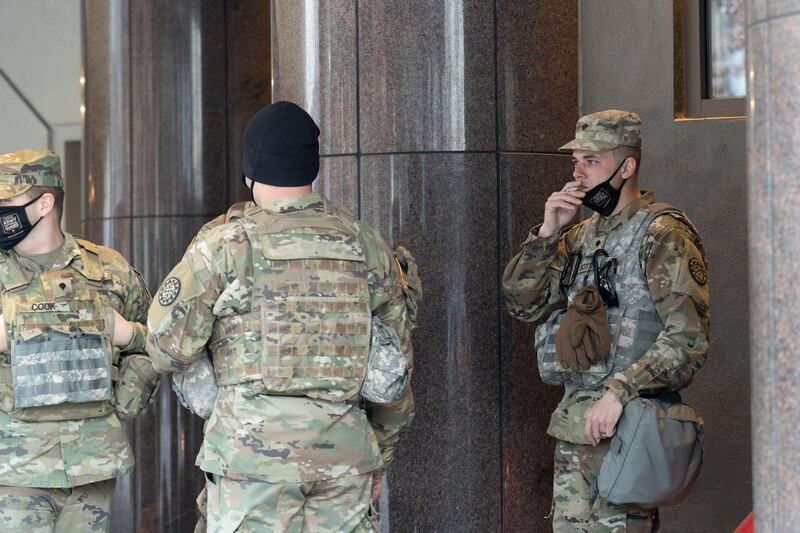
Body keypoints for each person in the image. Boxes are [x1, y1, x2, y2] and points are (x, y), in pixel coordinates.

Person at [147, 101, 416, 532]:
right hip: (345, 458)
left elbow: (165, 348)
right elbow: (396, 370)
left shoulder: (225, 245)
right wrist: (374, 458)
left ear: (250, 173)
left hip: (252, 462)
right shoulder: (366, 245)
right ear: (313, 169)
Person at [502, 110, 710, 532]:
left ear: (627, 166)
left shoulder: (662, 234)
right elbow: (524, 305)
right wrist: (546, 234)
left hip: (628, 433)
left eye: (591, 161)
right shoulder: (579, 236)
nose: (578, 174)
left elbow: (688, 338)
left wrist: (619, 392)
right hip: (575, 432)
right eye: (575, 161)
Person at [0, 149, 157, 531]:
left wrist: (127, 337)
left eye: (7, 200)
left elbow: (163, 344)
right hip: (16, 470)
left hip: (91, 466)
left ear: (44, 203)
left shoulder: (109, 270)